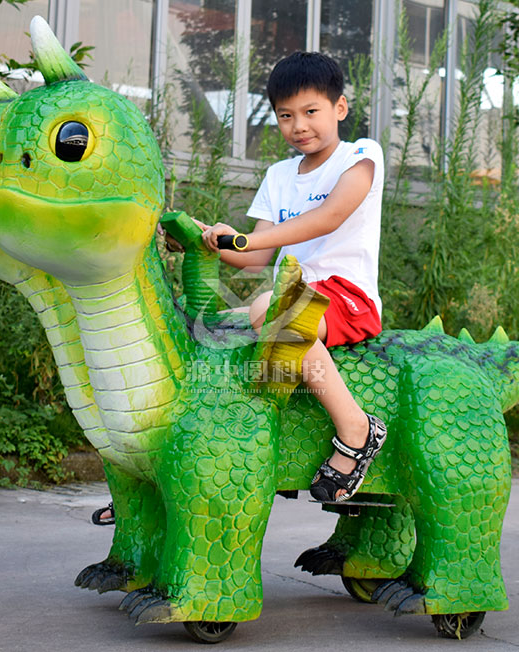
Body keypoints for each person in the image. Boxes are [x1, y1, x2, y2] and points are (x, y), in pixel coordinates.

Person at [199, 51, 387, 503]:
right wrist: (220, 240)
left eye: (310, 112)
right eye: (286, 116)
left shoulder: (360, 155)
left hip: (347, 296)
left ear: (339, 109)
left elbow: (329, 217)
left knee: (271, 307)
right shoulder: (279, 175)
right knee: (214, 325)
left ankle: (357, 428)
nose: (298, 125)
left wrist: (246, 241)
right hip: (294, 291)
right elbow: (255, 259)